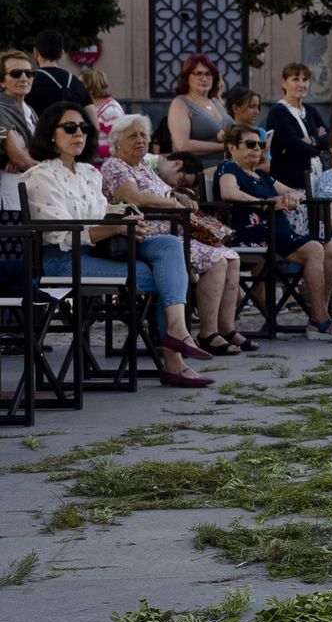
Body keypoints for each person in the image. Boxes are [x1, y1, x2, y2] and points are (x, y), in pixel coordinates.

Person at [22, 102, 214, 387]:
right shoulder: (40, 177)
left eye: (84, 128)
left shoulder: (89, 173)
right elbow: (60, 235)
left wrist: (127, 217)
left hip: (101, 248)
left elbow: (102, 211)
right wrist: (115, 226)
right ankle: (174, 362)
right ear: (51, 133)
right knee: (168, 279)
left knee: (170, 246)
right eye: (70, 128)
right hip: (64, 260)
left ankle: (177, 330)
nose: (79, 134)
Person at [100, 113, 247, 356]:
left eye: (144, 135)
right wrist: (174, 206)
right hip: (144, 237)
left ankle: (226, 328)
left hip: (175, 234)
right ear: (117, 142)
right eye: (133, 136)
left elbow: (165, 192)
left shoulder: (144, 166)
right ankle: (207, 333)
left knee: (232, 257)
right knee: (216, 260)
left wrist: (179, 196)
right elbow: (134, 198)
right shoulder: (115, 166)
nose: (140, 140)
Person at [217, 124, 332, 339]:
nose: (256, 149)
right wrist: (263, 202)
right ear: (232, 147)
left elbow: (292, 192)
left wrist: (293, 196)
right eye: (250, 144)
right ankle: (319, 320)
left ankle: (319, 312)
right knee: (314, 249)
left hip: (280, 232)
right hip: (251, 233)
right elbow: (228, 193)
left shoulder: (262, 175)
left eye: (260, 145)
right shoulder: (229, 168)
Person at [265, 62, 330, 192]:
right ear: (284, 83)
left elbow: (331, 139)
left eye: (305, 80)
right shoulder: (278, 112)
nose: (301, 85)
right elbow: (293, 144)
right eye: (295, 79)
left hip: (316, 176)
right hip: (291, 181)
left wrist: (313, 140)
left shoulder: (310, 110)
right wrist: (318, 146)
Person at [168, 54, 231, 167]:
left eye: (208, 74)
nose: (204, 78)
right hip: (199, 171)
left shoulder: (216, 102)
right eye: (198, 74)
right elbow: (182, 145)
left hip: (227, 166)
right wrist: (225, 146)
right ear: (187, 77)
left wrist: (228, 136)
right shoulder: (180, 103)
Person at [24, 30, 94, 127]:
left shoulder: (26, 81)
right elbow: (94, 124)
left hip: (40, 139)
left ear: (35, 52)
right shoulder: (76, 82)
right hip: (72, 138)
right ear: (61, 53)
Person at [0, 49, 40, 211]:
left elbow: (45, 149)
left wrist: (29, 155)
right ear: (2, 81)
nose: (24, 78)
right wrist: (47, 165)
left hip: (32, 190)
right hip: (8, 192)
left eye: (29, 73)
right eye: (16, 73)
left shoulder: (30, 111)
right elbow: (19, 159)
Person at [82, 69, 123, 160]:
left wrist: (86, 149)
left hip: (103, 165)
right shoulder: (91, 107)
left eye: (80, 85)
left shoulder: (112, 110)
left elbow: (116, 145)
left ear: (91, 88)